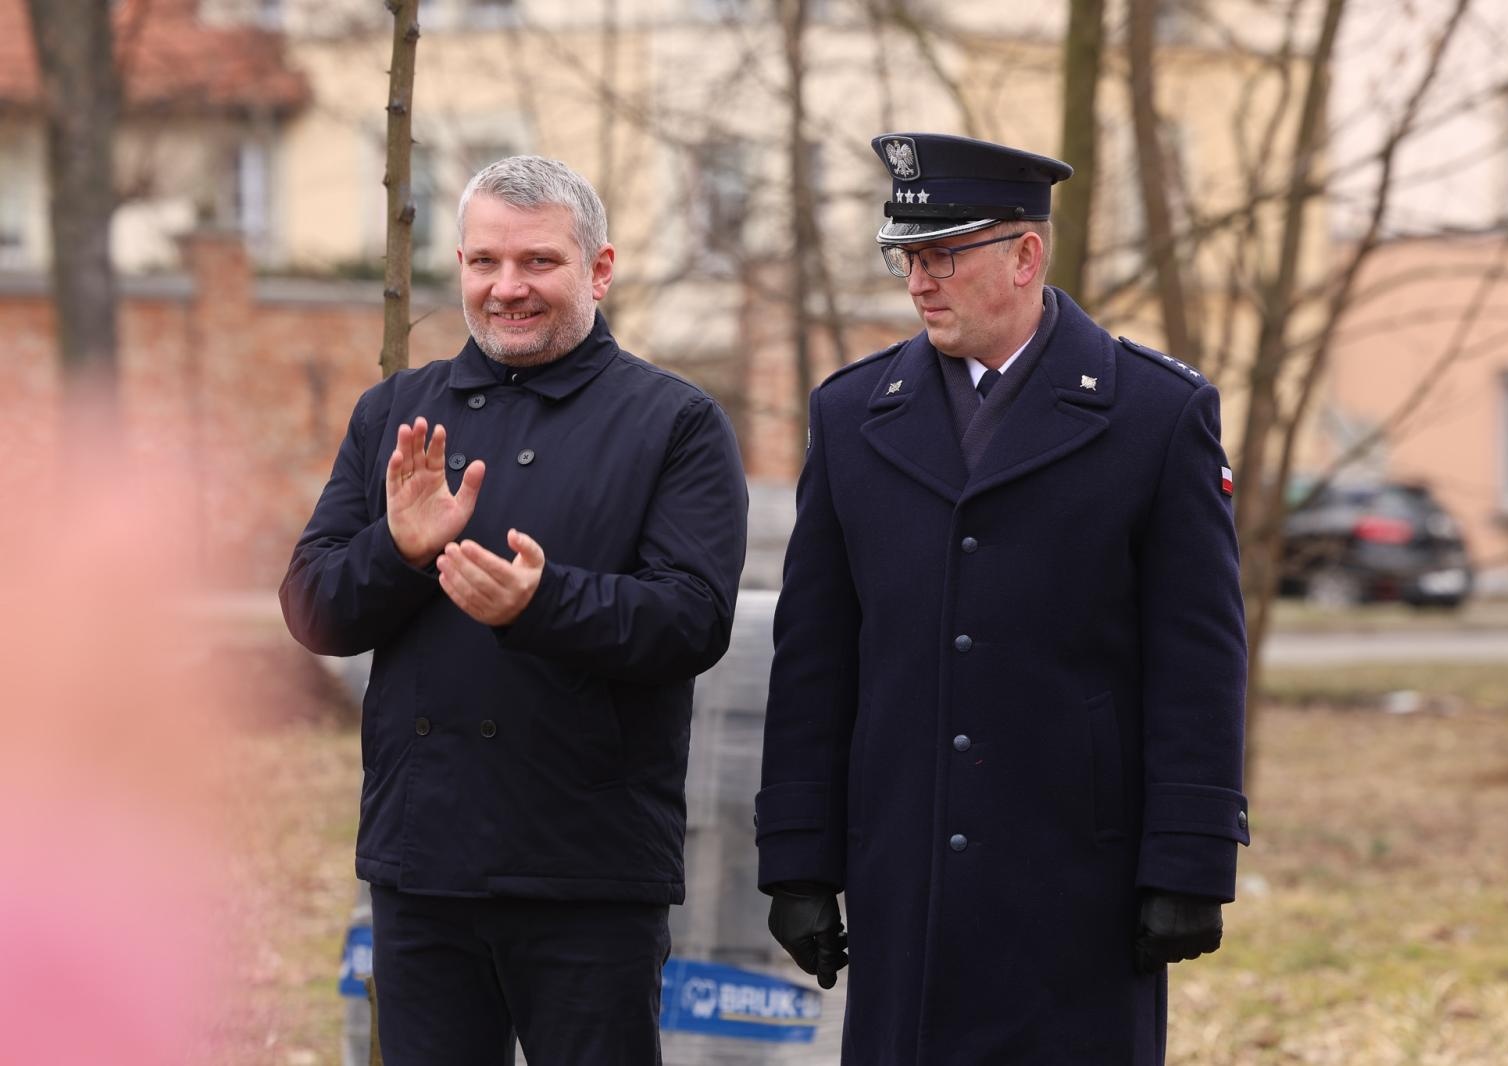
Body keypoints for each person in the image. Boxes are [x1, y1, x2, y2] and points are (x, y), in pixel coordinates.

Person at [755, 132, 1249, 1064]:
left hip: (1079, 877)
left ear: (1026, 255)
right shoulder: (854, 415)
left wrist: (1191, 861)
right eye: (908, 257)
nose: (918, 282)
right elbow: (816, 655)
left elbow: (1200, 657)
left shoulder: (1154, 414)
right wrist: (796, 857)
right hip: (904, 874)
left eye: (945, 254)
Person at [280, 154, 747, 1066]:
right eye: (484, 262)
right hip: (423, 866)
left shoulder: (675, 422)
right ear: (457, 266)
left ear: (599, 270)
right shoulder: (394, 413)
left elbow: (694, 619)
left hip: (588, 870)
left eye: (538, 262)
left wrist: (543, 602)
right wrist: (400, 550)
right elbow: (313, 611)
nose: (507, 289)